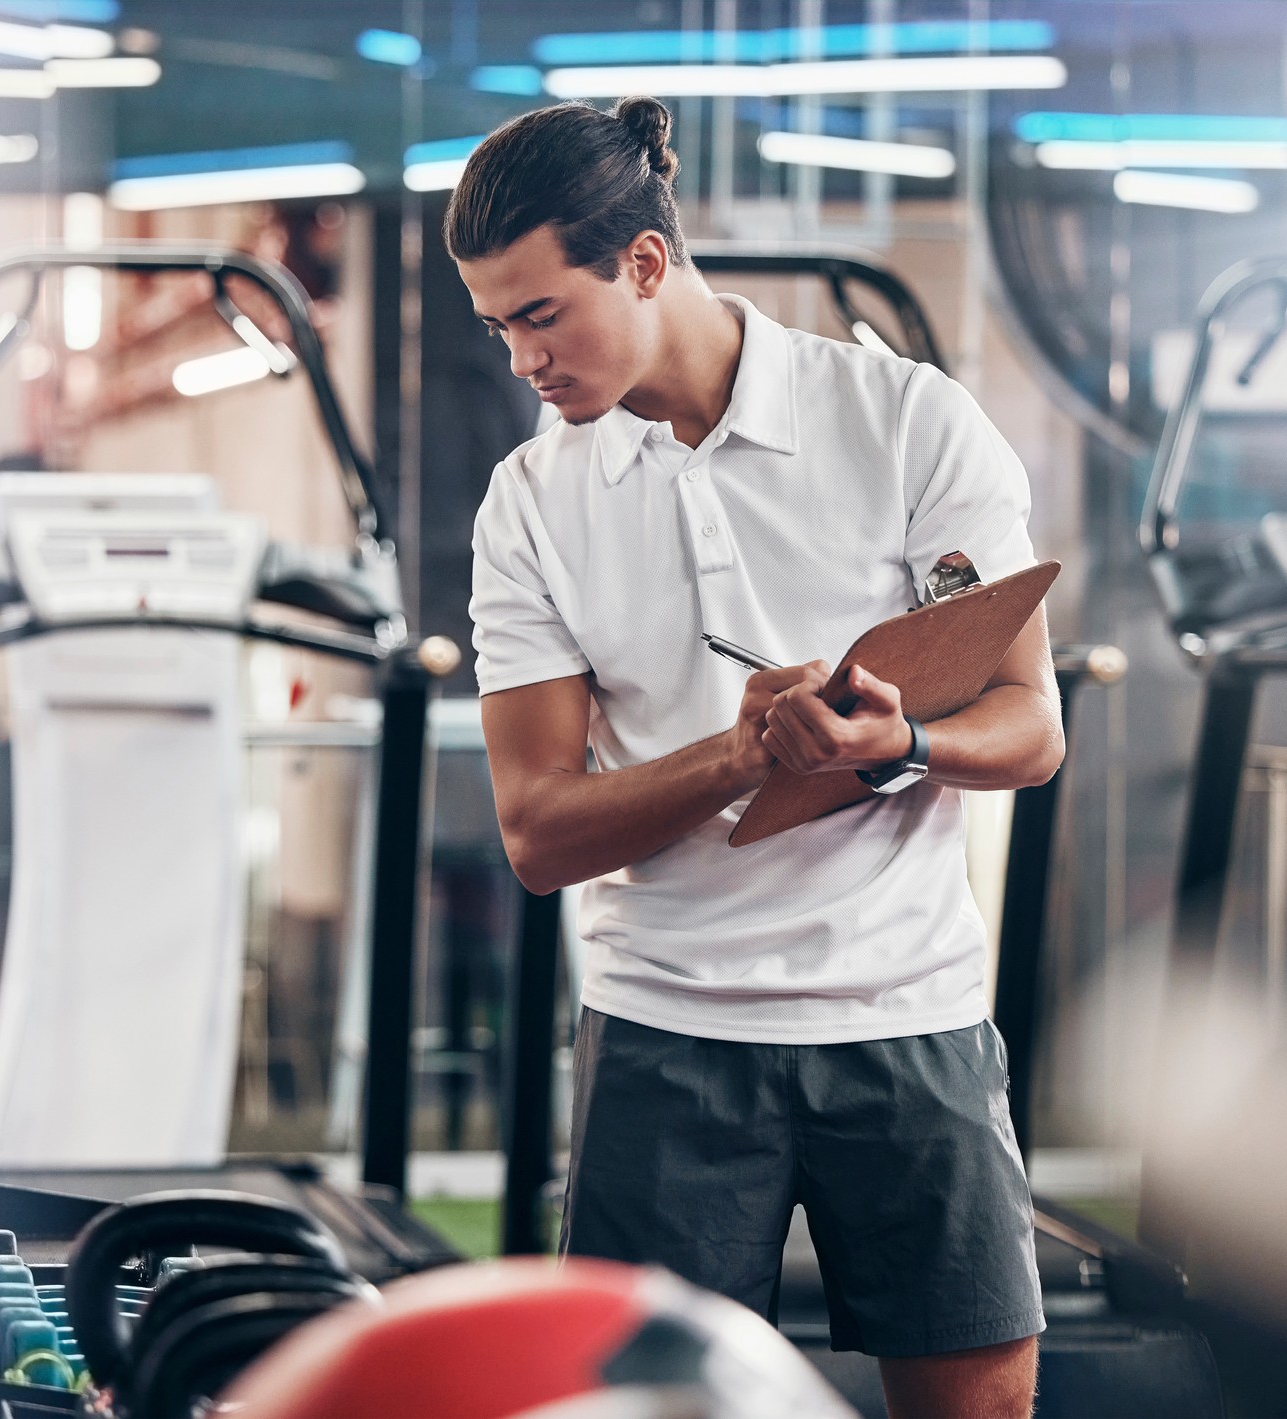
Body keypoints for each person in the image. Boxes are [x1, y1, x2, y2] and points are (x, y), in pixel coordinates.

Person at [449, 96, 1062, 1419]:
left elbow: (1031, 726)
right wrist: (738, 758)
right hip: (669, 1031)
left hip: (907, 1016)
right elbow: (540, 833)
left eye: (542, 315)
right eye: (498, 326)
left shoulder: (906, 419)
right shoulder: (534, 504)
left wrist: (902, 746)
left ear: (649, 262)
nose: (521, 361)